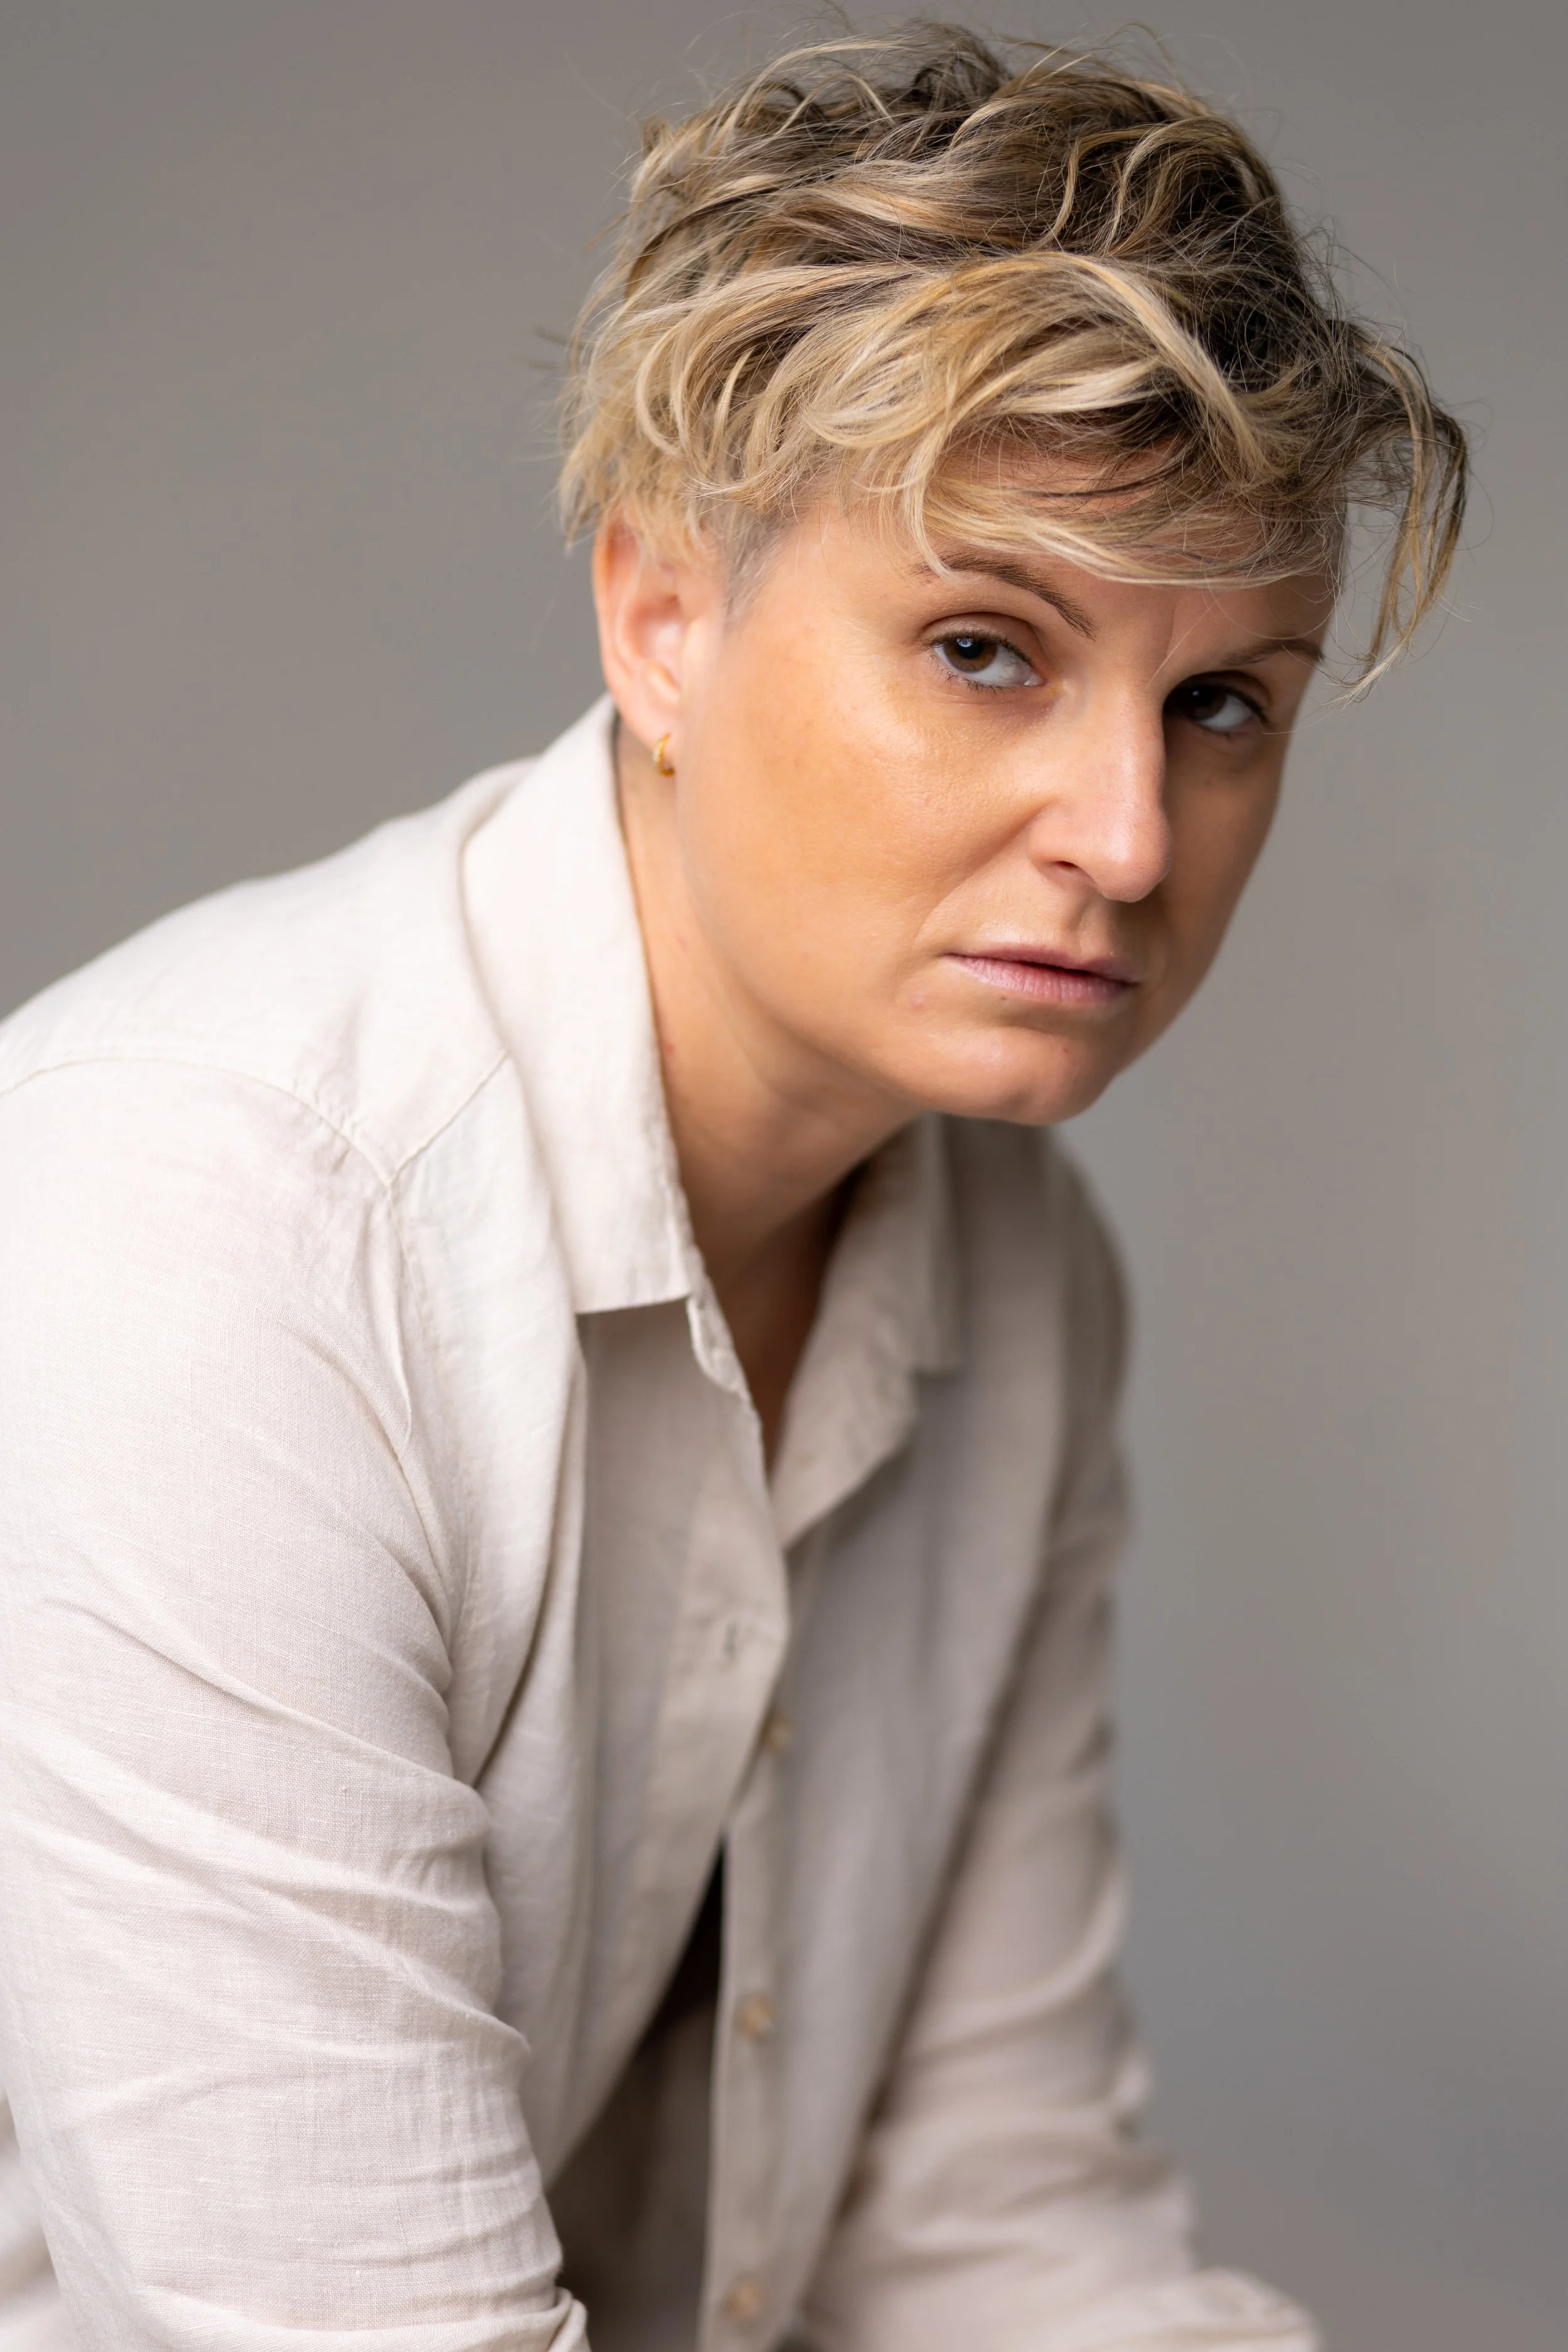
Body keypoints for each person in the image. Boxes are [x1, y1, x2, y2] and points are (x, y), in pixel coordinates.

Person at [0, 24, 1466, 2352]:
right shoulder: (205, 1229)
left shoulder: (1014, 1267)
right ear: (660, 615)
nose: (1122, 835)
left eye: (1221, 702)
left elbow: (992, 2237)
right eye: (986, 650)